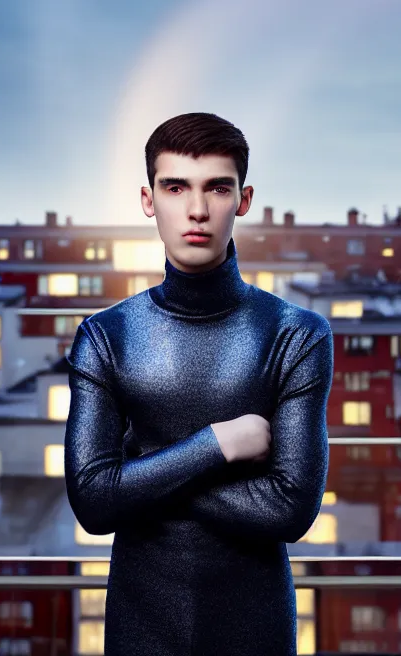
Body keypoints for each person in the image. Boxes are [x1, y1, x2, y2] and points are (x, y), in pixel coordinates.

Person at [64, 112, 334, 656]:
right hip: (139, 628)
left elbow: (290, 511)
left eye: (217, 187)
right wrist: (218, 445)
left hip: (256, 629)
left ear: (244, 199)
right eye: (175, 187)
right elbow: (93, 505)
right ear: (148, 199)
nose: (196, 209)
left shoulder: (297, 334)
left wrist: (142, 471)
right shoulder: (104, 336)